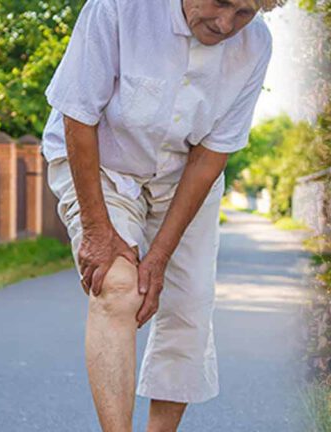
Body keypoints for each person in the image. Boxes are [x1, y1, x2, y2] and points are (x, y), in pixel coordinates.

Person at [42, 0, 273, 430]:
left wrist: (160, 257)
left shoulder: (256, 46)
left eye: (245, 13)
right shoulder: (119, 7)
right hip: (102, 163)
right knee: (116, 283)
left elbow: (209, 157)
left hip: (184, 177)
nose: (226, 25)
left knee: (189, 307)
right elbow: (78, 116)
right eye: (221, 3)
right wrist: (97, 230)